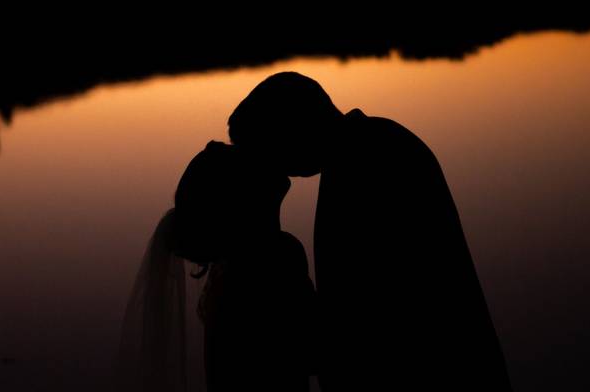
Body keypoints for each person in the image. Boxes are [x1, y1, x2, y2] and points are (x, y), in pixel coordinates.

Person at [228, 72, 511, 391]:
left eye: (267, 148)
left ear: (289, 128)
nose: (274, 165)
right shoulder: (367, 149)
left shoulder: (370, 159)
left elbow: (375, 305)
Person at [118, 141, 316, 392]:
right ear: (239, 196)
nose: (264, 158)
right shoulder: (273, 259)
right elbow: (310, 353)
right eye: (248, 162)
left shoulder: (233, 271)